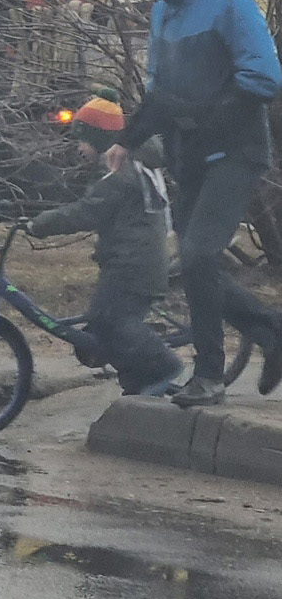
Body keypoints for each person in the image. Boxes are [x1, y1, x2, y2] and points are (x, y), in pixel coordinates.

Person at [106, 0, 282, 408]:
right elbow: (161, 91)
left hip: (237, 152)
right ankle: (270, 329)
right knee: (196, 263)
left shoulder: (229, 1)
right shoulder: (163, 13)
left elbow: (264, 78)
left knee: (201, 256)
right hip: (192, 157)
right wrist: (129, 139)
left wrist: (205, 114)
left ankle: (209, 376)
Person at [27, 89, 183, 396]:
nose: (78, 148)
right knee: (104, 323)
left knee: (114, 320)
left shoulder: (123, 175)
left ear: (100, 139)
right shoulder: (129, 166)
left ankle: (164, 365)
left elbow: (86, 211)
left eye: (83, 139)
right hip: (128, 261)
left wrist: (39, 224)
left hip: (134, 265)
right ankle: (137, 381)